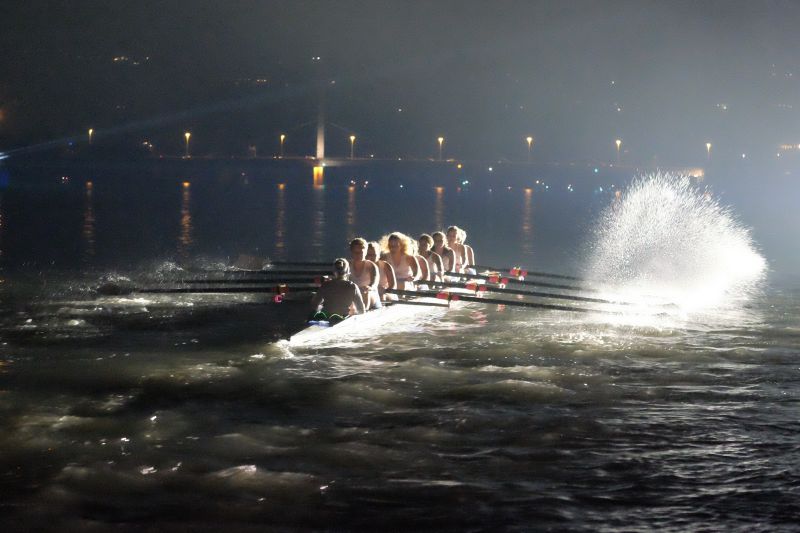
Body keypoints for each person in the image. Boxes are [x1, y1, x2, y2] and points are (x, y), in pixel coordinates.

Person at [348, 237, 381, 309]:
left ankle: (363, 312)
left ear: (365, 252)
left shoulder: (371, 266)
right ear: (351, 252)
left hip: (370, 294)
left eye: (361, 252)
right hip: (354, 295)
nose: (358, 255)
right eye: (355, 252)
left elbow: (374, 284)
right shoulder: (347, 265)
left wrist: (369, 287)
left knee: (365, 292)